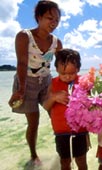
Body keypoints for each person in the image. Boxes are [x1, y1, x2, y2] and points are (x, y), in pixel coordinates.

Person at [8, 0, 62, 166]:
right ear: (39, 17)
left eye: (56, 20)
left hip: (46, 81)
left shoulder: (56, 43)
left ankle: (63, 151)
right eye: (49, 18)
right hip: (26, 81)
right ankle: (33, 155)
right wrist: (20, 90)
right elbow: (22, 63)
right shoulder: (24, 36)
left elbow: (62, 67)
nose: (53, 23)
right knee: (34, 122)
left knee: (57, 115)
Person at [43, 49, 89, 170]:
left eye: (72, 73)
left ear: (78, 69)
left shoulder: (84, 83)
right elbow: (45, 106)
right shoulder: (52, 84)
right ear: (56, 69)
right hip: (61, 132)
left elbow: (93, 103)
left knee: (81, 160)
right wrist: (53, 97)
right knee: (65, 161)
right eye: (63, 74)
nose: (68, 77)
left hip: (80, 131)